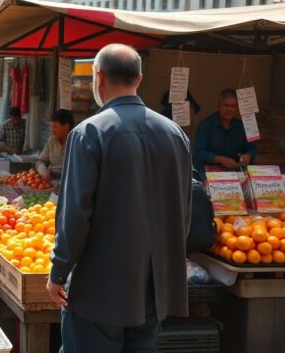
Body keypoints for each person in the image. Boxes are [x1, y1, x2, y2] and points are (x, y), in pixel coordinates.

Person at [47, 44, 192, 352]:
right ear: (139, 79)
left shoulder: (89, 133)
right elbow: (184, 214)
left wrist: (58, 272)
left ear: (98, 77)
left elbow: (74, 216)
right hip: (153, 288)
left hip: (100, 287)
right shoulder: (175, 134)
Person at [194, 89, 257, 177]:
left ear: (237, 107)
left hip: (234, 173)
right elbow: (198, 152)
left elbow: (252, 148)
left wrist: (248, 156)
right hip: (207, 174)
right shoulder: (206, 125)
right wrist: (221, 160)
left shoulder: (242, 126)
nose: (229, 109)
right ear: (218, 106)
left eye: (233, 106)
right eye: (225, 105)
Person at [36, 109, 74, 181]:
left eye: (55, 127)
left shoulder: (76, 143)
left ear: (66, 127)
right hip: (51, 183)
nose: (52, 130)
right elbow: (40, 161)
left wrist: (53, 170)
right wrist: (43, 170)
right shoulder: (52, 140)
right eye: (51, 126)